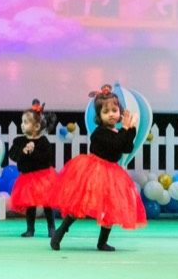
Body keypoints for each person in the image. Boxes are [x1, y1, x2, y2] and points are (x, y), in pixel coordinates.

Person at [50, 86, 146, 251]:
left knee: (110, 207)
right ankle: (59, 233)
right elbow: (116, 143)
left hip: (112, 172)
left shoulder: (118, 131)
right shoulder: (99, 133)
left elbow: (126, 147)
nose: (111, 114)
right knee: (80, 205)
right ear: (99, 116)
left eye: (115, 110)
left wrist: (130, 128)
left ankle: (102, 242)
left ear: (120, 112)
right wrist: (124, 128)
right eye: (106, 111)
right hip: (94, 170)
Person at [8, 99, 60, 239]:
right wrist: (24, 151)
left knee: (47, 204)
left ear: (36, 126)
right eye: (22, 122)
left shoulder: (43, 142)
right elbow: (12, 155)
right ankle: (30, 229)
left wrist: (34, 151)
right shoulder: (19, 141)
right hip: (27, 178)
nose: (22, 125)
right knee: (30, 204)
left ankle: (51, 228)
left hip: (43, 177)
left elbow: (47, 158)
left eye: (26, 122)